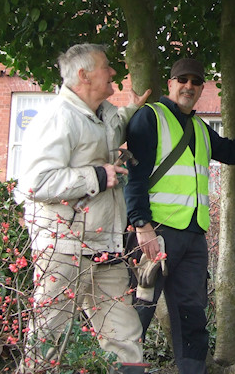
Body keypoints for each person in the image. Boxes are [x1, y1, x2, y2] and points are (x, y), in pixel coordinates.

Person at [124, 58, 235, 374]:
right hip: (155, 233)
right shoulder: (150, 118)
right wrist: (141, 226)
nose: (189, 86)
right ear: (171, 83)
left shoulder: (200, 129)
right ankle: (123, 368)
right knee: (138, 311)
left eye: (196, 81)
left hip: (192, 237)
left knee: (192, 314)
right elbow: (134, 178)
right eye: (182, 80)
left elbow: (232, 152)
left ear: (202, 88)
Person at [17, 44, 151, 374]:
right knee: (47, 339)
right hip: (64, 249)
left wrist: (132, 109)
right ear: (84, 75)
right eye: (107, 67)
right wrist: (93, 176)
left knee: (126, 338)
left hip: (104, 248)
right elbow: (34, 183)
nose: (114, 73)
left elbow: (109, 130)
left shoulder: (100, 114)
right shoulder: (56, 118)